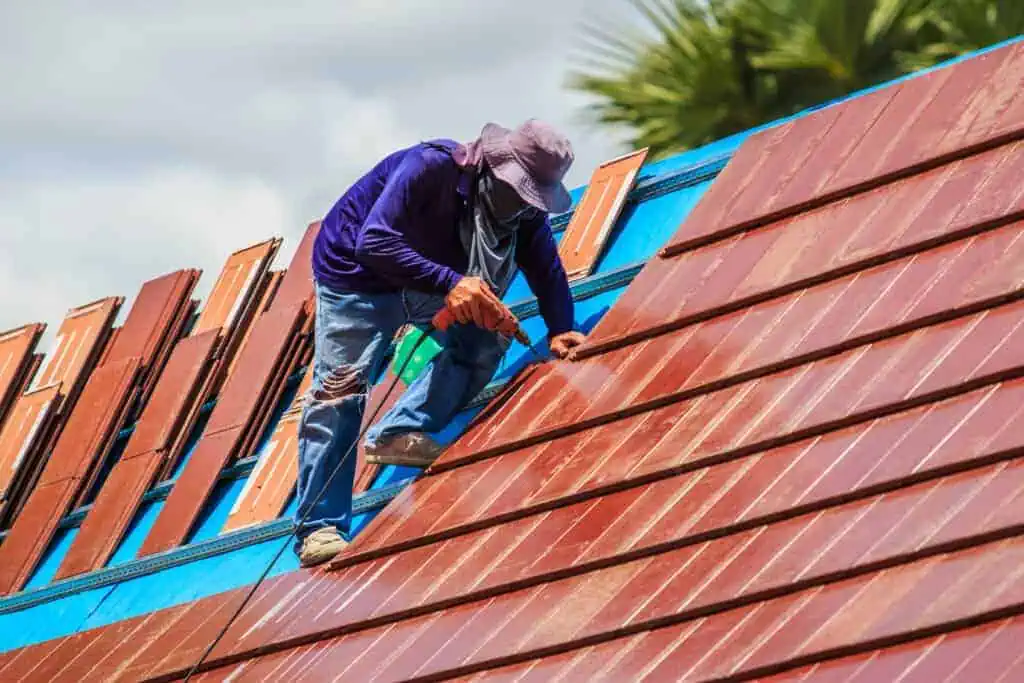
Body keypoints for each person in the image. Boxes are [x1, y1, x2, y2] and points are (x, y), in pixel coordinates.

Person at [294, 119, 587, 567]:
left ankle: (400, 429)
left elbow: (544, 266)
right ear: (493, 167)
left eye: (532, 199)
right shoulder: (430, 167)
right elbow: (373, 241)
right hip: (358, 274)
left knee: (487, 337)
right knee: (341, 393)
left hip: (432, 274)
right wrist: (451, 283)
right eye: (517, 193)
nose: (521, 207)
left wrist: (560, 326)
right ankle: (319, 528)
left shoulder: (523, 212)